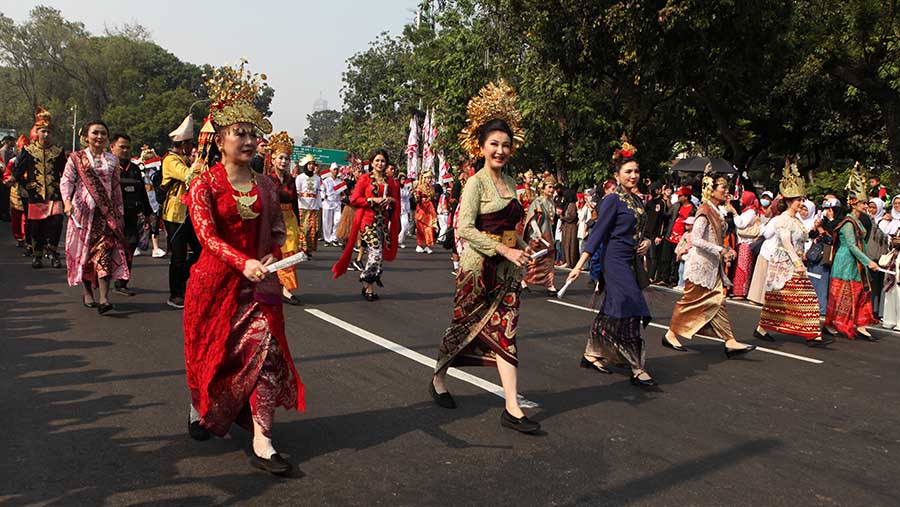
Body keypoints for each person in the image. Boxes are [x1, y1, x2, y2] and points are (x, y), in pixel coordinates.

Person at [183, 62, 304, 475]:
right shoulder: (204, 184)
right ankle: (201, 404)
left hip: (259, 290)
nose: (251, 141)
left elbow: (274, 228)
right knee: (213, 359)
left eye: (255, 134)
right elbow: (207, 238)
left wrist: (270, 254)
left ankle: (262, 437)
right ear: (220, 140)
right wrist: (243, 261)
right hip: (214, 286)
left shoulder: (268, 184)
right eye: (241, 133)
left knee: (267, 355)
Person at [431, 80, 539, 433]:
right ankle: (439, 378)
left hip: (507, 273)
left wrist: (523, 248)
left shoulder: (512, 184)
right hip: (477, 270)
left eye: (506, 145)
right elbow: (464, 229)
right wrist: (504, 248)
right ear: (481, 147)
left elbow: (510, 229)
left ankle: (512, 406)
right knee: (462, 327)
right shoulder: (475, 183)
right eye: (494, 144)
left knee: (507, 331)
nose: (501, 150)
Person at [567, 136, 657, 386]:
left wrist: (647, 242)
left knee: (613, 309)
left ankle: (591, 352)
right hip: (614, 261)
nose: (634, 175)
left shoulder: (638, 200)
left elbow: (643, 231)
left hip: (631, 261)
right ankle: (637, 367)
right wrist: (579, 265)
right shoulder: (612, 200)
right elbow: (598, 234)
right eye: (628, 171)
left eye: (637, 171)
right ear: (617, 175)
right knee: (629, 308)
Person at [664, 170, 756, 358]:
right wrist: (719, 249)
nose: (726, 191)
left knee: (718, 302)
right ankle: (671, 333)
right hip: (701, 266)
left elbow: (715, 239)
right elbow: (696, 239)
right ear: (711, 190)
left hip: (712, 266)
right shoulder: (705, 211)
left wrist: (726, 249)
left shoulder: (716, 211)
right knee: (690, 302)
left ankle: (729, 341)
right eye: (723, 187)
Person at [754, 161, 829, 346]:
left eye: (802, 200)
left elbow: (800, 240)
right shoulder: (783, 220)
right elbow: (787, 243)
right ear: (788, 201)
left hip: (794, 261)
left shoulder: (796, 220)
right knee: (806, 298)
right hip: (785, 263)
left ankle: (762, 328)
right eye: (798, 200)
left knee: (782, 299)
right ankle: (812, 334)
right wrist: (798, 264)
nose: (801, 203)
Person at [60, 121, 130, 315]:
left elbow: (116, 189)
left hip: (106, 215)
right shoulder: (76, 158)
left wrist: (119, 212)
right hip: (83, 214)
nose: (99, 137)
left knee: (105, 252)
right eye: (95, 133)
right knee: (86, 254)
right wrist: (67, 203)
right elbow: (66, 181)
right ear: (86, 136)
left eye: (103, 134)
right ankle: (87, 292)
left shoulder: (112, 160)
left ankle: (104, 298)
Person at [332, 149, 401, 300]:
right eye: (377, 160)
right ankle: (368, 284)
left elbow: (396, 200)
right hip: (367, 220)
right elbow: (354, 199)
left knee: (378, 255)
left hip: (382, 222)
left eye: (383, 161)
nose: (380, 164)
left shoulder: (391, 182)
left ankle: (367, 286)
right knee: (375, 251)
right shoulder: (364, 179)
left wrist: (390, 200)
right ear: (371, 162)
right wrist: (371, 200)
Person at [824, 164, 880, 340]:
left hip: (856, 263)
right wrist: (868, 262)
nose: (866, 205)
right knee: (844, 295)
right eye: (863, 203)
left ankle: (861, 324)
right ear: (854, 203)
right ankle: (832, 323)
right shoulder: (849, 223)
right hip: (846, 263)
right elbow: (852, 246)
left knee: (861, 293)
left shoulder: (860, 220)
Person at [14, 107, 67, 269]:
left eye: (48, 132)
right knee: (36, 225)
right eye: (42, 131)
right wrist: (26, 185)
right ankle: (37, 255)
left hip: (54, 194)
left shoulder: (58, 152)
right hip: (35, 194)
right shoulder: (28, 151)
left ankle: (52, 252)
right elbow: (18, 171)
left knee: (56, 224)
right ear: (37, 133)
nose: (45, 135)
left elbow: (65, 172)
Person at [161, 115, 201, 309]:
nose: (191, 147)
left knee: (200, 251)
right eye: (190, 144)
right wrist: (199, 162)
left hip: (191, 213)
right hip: (175, 214)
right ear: (183, 144)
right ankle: (175, 293)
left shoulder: (185, 159)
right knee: (178, 256)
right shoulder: (171, 160)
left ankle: (183, 280)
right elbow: (188, 176)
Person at [109, 134, 152, 296]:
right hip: (111, 217)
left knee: (130, 246)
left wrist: (148, 214)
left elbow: (142, 192)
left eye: (128, 147)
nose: (125, 150)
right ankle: (103, 280)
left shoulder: (134, 169)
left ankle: (122, 282)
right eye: (122, 147)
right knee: (108, 249)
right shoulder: (107, 167)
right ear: (112, 147)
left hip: (131, 215)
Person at [266, 132, 304, 306]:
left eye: (286, 159)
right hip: (272, 221)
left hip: (289, 221)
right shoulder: (267, 180)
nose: (283, 161)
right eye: (280, 158)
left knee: (289, 254)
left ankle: (286, 288)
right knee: (271, 255)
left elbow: (294, 201)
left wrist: (298, 224)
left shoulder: (291, 180)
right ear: (273, 159)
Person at [522, 174, 559, 294]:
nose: (551, 190)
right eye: (549, 187)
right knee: (534, 260)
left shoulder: (552, 203)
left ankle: (549, 284)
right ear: (544, 188)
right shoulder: (538, 202)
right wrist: (537, 232)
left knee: (549, 259)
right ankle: (524, 280)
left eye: (553, 188)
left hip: (548, 234)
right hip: (537, 235)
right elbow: (532, 218)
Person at [657, 186, 693, 286]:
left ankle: (674, 279)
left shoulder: (692, 209)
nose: (679, 197)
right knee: (665, 258)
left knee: (676, 260)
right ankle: (664, 278)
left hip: (682, 239)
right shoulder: (677, 206)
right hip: (670, 235)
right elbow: (667, 214)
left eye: (680, 196)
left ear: (686, 197)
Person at [731, 190, 761, 299]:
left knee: (743, 267)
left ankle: (741, 291)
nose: (740, 200)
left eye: (742, 198)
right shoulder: (747, 211)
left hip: (746, 243)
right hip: (742, 242)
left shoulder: (750, 212)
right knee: (740, 266)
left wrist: (734, 213)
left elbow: (741, 224)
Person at [294, 153, 322, 258]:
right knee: (304, 229)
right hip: (302, 206)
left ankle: (309, 249)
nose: (311, 166)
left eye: (312, 164)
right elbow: (297, 192)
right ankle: (302, 249)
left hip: (313, 206)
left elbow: (318, 192)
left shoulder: (317, 178)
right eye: (309, 164)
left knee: (313, 230)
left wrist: (319, 205)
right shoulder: (300, 178)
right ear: (305, 165)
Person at [878, 195, 900, 329]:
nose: (897, 206)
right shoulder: (891, 222)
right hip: (892, 256)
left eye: (899, 203)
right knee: (890, 289)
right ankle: (890, 319)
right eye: (895, 203)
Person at [2, 136, 28, 247]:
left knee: (27, 217)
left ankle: (27, 237)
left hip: (28, 190)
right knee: (16, 216)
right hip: (15, 190)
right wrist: (8, 180)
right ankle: (19, 237)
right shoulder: (13, 161)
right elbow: (6, 174)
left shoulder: (33, 159)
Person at [414, 171, 437, 253]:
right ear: (424, 179)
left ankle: (428, 245)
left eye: (430, 178)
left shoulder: (432, 188)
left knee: (429, 228)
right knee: (420, 228)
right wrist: (417, 197)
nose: (430, 180)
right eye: (428, 178)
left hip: (430, 210)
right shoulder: (420, 187)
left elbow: (434, 199)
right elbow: (417, 199)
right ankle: (419, 245)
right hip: (422, 209)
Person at [321, 162, 343, 247]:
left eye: (337, 170)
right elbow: (322, 191)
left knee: (337, 221)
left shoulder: (340, 181)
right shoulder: (326, 181)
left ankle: (334, 238)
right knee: (327, 222)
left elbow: (342, 192)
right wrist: (324, 196)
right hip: (327, 203)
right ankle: (327, 239)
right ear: (330, 171)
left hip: (337, 203)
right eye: (334, 169)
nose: (336, 171)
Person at [560, 188, 580, 268]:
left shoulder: (572, 205)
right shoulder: (568, 204)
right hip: (566, 227)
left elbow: (571, 216)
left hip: (571, 227)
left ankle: (570, 262)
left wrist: (563, 218)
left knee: (570, 244)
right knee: (565, 244)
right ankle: (565, 260)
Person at [397, 173, 412, 248]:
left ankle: (399, 240)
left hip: (404, 208)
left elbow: (407, 199)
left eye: (404, 180)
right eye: (402, 179)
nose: (403, 181)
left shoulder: (406, 188)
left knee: (405, 225)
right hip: (396, 207)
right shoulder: (396, 187)